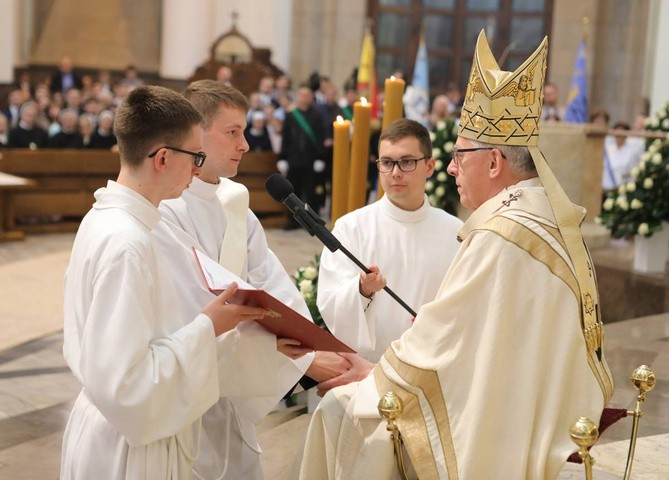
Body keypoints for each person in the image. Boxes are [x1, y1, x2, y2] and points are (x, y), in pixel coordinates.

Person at [294, 31, 613, 480]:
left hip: (504, 426)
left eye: (460, 156)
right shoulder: (545, 217)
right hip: (540, 409)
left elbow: (448, 341)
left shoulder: (502, 232)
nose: (450, 168)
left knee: (339, 417)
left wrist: (379, 377)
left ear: (496, 163)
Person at [60, 85, 278, 479]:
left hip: (111, 430)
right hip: (129, 448)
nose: (198, 169)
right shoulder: (129, 242)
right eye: (195, 156)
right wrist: (208, 326)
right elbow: (127, 386)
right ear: (162, 158)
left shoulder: (105, 217)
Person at [153, 79, 351, 480]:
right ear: (196, 134)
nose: (244, 144)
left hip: (237, 391)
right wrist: (307, 361)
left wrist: (314, 346)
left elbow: (274, 288)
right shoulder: (167, 209)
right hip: (190, 389)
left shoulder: (236, 206)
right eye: (232, 133)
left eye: (244, 131)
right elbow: (197, 306)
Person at [317, 118, 462, 364]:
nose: (395, 173)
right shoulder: (352, 228)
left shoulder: (456, 232)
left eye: (406, 162)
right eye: (387, 163)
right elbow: (330, 303)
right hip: (370, 369)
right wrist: (362, 290)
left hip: (433, 365)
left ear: (429, 166)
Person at [279, 85, 326, 224]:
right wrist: (282, 158)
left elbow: (320, 137)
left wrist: (320, 158)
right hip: (293, 160)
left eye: (307, 95)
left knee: (311, 192)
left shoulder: (317, 116)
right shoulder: (291, 115)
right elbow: (285, 138)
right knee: (293, 193)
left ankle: (311, 223)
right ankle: (293, 221)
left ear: (311, 98)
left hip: (311, 161)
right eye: (301, 95)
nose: (304, 98)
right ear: (297, 97)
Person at [601, 121, 645, 192]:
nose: (619, 136)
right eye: (617, 133)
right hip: (605, 188)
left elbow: (641, 142)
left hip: (623, 189)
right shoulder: (608, 147)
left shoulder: (632, 148)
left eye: (622, 133)